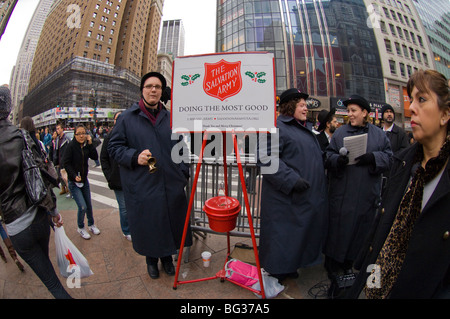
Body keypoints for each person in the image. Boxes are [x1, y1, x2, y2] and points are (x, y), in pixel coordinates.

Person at [347, 70, 449, 299]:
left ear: (445, 114)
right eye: (411, 99)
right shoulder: (404, 162)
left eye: (422, 99)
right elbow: (382, 230)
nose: (411, 107)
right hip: (377, 279)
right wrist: (366, 279)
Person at [108, 71, 192, 279]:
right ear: (142, 90)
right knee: (150, 224)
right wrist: (135, 156)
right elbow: (114, 147)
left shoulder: (172, 117)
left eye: (157, 87)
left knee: (170, 223)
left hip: (171, 183)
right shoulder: (127, 118)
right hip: (144, 183)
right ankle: (151, 260)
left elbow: (182, 148)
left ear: (162, 92)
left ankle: (167, 258)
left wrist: (183, 174)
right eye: (149, 86)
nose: (153, 89)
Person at [0, 86, 71, 299]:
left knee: (50, 281)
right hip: (39, 217)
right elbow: (41, 175)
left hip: (16, 226)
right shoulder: (20, 135)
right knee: (46, 267)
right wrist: (54, 211)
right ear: (9, 109)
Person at [257, 88, 329, 282]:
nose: (306, 108)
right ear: (290, 106)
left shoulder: (304, 128)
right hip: (285, 198)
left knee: (293, 239)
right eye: (302, 105)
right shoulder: (275, 126)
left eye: (306, 105)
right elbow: (265, 158)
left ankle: (288, 267)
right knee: (282, 238)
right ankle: (278, 270)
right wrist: (291, 180)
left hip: (301, 198)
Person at [323, 94, 392, 282]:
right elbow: (328, 156)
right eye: (348, 111)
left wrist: (374, 158)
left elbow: (390, 158)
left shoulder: (379, 135)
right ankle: (332, 263)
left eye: (353, 111)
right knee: (338, 230)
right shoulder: (339, 133)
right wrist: (338, 160)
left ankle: (348, 265)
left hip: (365, 196)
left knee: (359, 232)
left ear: (365, 113)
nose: (350, 114)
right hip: (342, 194)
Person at [62, 124, 100, 240]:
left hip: (84, 180)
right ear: (75, 135)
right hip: (74, 183)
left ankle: (91, 224)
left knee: (88, 205)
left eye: (84, 133)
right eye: (79, 133)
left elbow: (94, 156)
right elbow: (66, 163)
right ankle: (80, 227)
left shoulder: (86, 146)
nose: (82, 135)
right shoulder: (71, 146)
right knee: (82, 206)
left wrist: (90, 143)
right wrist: (73, 175)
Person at [100, 111, 131, 241]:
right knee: (124, 208)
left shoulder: (130, 135)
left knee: (132, 206)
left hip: (130, 178)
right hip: (117, 180)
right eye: (117, 119)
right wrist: (109, 176)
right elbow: (103, 159)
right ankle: (126, 230)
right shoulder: (109, 137)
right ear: (114, 121)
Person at [50, 123, 70, 195]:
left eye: (58, 128)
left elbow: (69, 149)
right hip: (59, 160)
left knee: (66, 177)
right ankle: (64, 188)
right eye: (57, 129)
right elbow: (56, 150)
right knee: (60, 175)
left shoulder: (66, 139)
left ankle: (69, 190)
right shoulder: (57, 139)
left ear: (62, 129)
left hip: (65, 160)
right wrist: (55, 161)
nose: (57, 130)